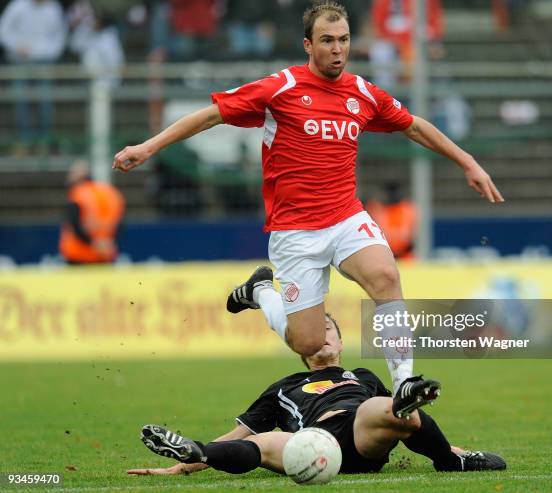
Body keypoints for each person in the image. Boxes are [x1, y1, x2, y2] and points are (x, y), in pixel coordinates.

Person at [112, 1, 504, 397]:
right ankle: (262, 292)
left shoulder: (362, 93)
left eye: (344, 40)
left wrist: (468, 161)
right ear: (308, 44)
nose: (338, 49)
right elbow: (212, 114)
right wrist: (148, 147)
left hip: (345, 217)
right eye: (328, 40)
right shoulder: (281, 88)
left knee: (386, 276)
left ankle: (404, 385)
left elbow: (414, 126)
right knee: (309, 344)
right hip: (295, 231)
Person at [127, 314, 506, 477]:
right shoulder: (284, 386)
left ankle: (450, 462)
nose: (321, 334)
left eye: (328, 328)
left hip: (360, 432)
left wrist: (452, 447)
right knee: (263, 443)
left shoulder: (362, 376)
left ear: (341, 340)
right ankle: (192, 449)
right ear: (300, 344)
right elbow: (239, 435)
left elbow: (409, 422)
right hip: (311, 444)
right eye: (313, 330)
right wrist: (182, 467)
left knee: (391, 409)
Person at [0, 0, 67, 153]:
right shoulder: (18, 5)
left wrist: (44, 53)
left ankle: (43, 143)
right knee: (21, 102)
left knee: (45, 102)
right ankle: (23, 143)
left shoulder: (53, 8)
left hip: (44, 63)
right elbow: (3, 30)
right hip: (19, 61)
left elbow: (59, 37)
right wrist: (17, 46)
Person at [59, 160, 125, 264]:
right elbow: (120, 223)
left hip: (77, 255)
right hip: (105, 255)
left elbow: (74, 224)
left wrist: (93, 243)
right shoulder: (111, 193)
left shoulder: (78, 194)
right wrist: (107, 243)